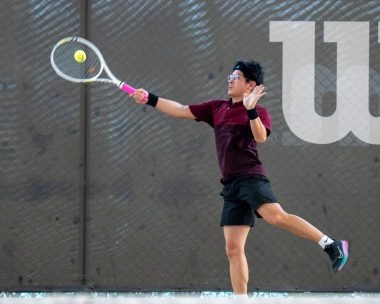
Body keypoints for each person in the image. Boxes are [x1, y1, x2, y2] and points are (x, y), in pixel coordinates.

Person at [130, 60, 349, 296]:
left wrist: (251, 110)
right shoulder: (216, 108)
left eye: (236, 76)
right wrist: (150, 98)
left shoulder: (260, 112)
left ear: (250, 84)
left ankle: (331, 244)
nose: (230, 79)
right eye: (230, 75)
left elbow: (261, 136)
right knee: (233, 249)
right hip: (231, 186)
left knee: (276, 217)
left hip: (251, 178)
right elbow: (181, 109)